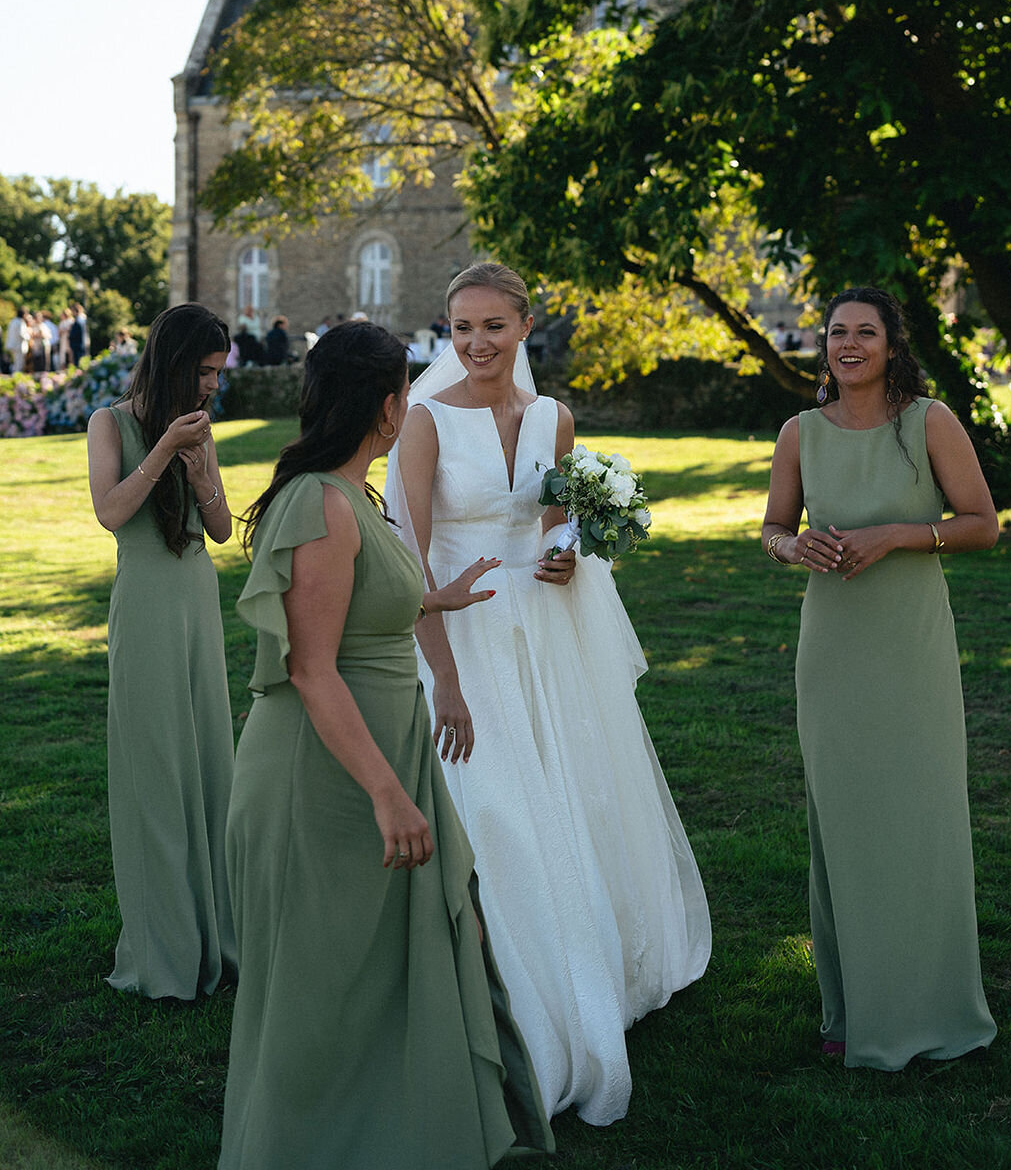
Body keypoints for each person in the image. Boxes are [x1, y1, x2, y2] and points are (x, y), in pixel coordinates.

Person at [219, 320, 552, 1170]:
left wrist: (434, 598)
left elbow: (359, 607)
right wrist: (387, 794)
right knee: (324, 983)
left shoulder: (348, 494)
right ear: (387, 405)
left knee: (416, 953)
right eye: (406, 392)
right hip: (327, 775)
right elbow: (313, 670)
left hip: (379, 751)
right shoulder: (320, 504)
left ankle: (401, 1136)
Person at [390, 262, 712, 1126]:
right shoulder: (423, 424)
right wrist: (446, 679)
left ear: (525, 325)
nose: (476, 344)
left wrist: (566, 545)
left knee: (572, 786)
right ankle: (508, 988)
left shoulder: (552, 419)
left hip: (543, 631)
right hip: (460, 633)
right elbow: (406, 561)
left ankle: (595, 961)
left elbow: (552, 512)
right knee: (493, 804)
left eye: (492, 326)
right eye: (461, 328)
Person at [761, 285, 998, 1070]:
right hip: (834, 647)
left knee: (921, 814)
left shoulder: (929, 422)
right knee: (847, 820)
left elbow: (982, 525)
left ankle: (931, 1003)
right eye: (836, 333)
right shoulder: (798, 432)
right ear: (822, 345)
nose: (849, 344)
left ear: (893, 344)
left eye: (865, 332)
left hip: (910, 646)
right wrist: (792, 549)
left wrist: (899, 534)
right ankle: (852, 1008)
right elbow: (773, 527)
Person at [87, 303, 237, 999]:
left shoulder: (201, 429)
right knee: (156, 771)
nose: (212, 385)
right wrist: (160, 452)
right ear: (176, 363)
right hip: (145, 603)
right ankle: (167, 948)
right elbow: (112, 513)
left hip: (195, 600)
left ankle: (218, 933)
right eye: (205, 372)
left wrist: (201, 461)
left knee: (208, 762)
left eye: (218, 373)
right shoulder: (109, 423)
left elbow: (219, 526)